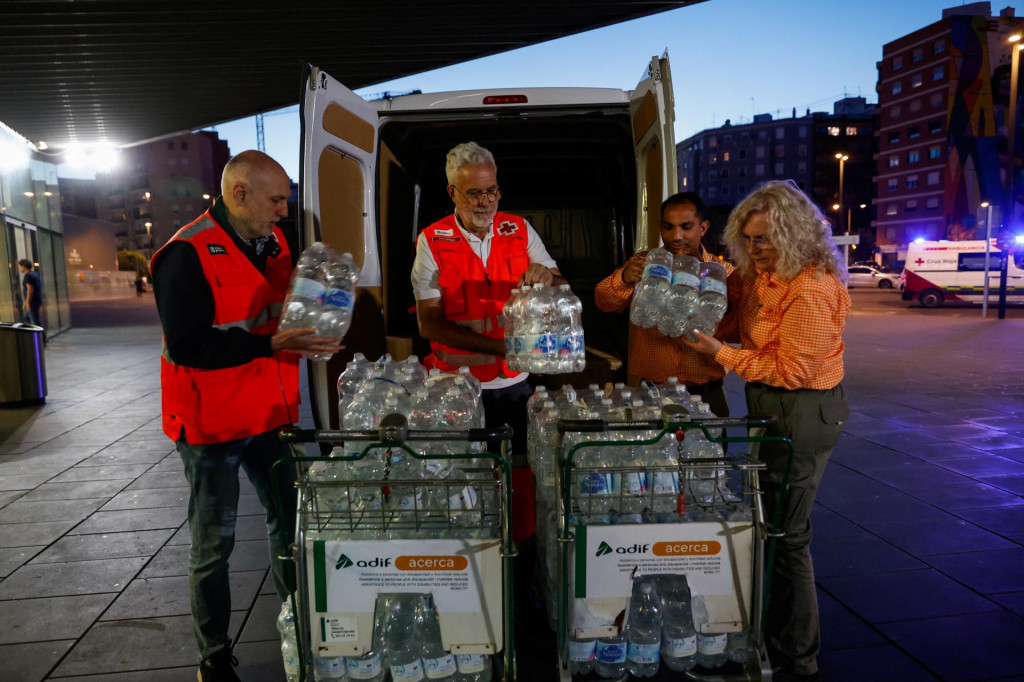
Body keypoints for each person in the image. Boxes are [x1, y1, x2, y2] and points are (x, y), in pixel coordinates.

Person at [152, 150, 342, 682]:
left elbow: (284, 311)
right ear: (239, 193)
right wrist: (270, 342)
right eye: (276, 199)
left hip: (272, 415)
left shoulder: (276, 242)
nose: (285, 210)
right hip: (212, 425)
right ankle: (213, 654)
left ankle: (299, 627)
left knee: (291, 528)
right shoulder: (185, 253)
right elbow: (189, 345)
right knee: (215, 543)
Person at [682, 180, 850, 682]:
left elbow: (794, 370)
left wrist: (719, 354)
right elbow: (747, 326)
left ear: (795, 234)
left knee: (787, 535)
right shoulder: (764, 275)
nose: (756, 249)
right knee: (768, 526)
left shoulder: (812, 287)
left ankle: (796, 659)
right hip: (771, 404)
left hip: (802, 409)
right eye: (749, 239)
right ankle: (766, 644)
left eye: (767, 239)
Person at [410, 141, 564, 663]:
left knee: (522, 499)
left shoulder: (518, 229)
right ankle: (469, 601)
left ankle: (523, 601)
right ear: (451, 191)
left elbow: (557, 279)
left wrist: (547, 277)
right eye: (474, 192)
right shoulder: (432, 241)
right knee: (465, 499)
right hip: (456, 394)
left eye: (493, 189)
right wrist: (500, 344)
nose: (486, 200)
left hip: (514, 391)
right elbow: (428, 321)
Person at [594, 192, 741, 418]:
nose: (676, 235)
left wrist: (720, 309)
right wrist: (624, 279)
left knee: (710, 452)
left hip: (704, 391)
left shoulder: (722, 273)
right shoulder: (646, 263)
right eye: (668, 227)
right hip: (652, 390)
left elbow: (736, 332)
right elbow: (602, 301)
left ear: (702, 228)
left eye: (686, 226)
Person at [18, 259, 44, 335]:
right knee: (26, 317)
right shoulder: (34, 274)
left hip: (32, 301)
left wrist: (28, 302)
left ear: (24, 266)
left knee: (35, 322)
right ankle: (39, 337)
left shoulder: (28, 276)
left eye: (20, 266)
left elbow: (30, 289)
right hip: (36, 300)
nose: (19, 268)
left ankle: (42, 339)